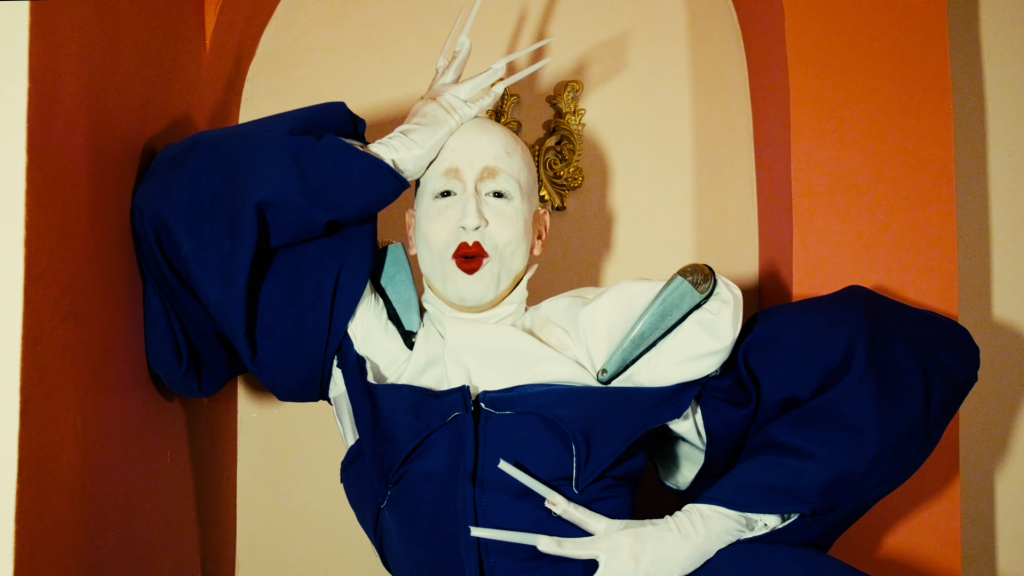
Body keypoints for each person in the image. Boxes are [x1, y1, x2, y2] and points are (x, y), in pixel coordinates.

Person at [131, 4, 979, 574]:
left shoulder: (605, 343)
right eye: (443, 189)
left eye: (499, 194)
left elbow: (913, 360)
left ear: (539, 234)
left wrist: (692, 535)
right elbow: (178, 203)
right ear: (409, 229)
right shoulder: (362, 339)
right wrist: (395, 151)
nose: (471, 215)